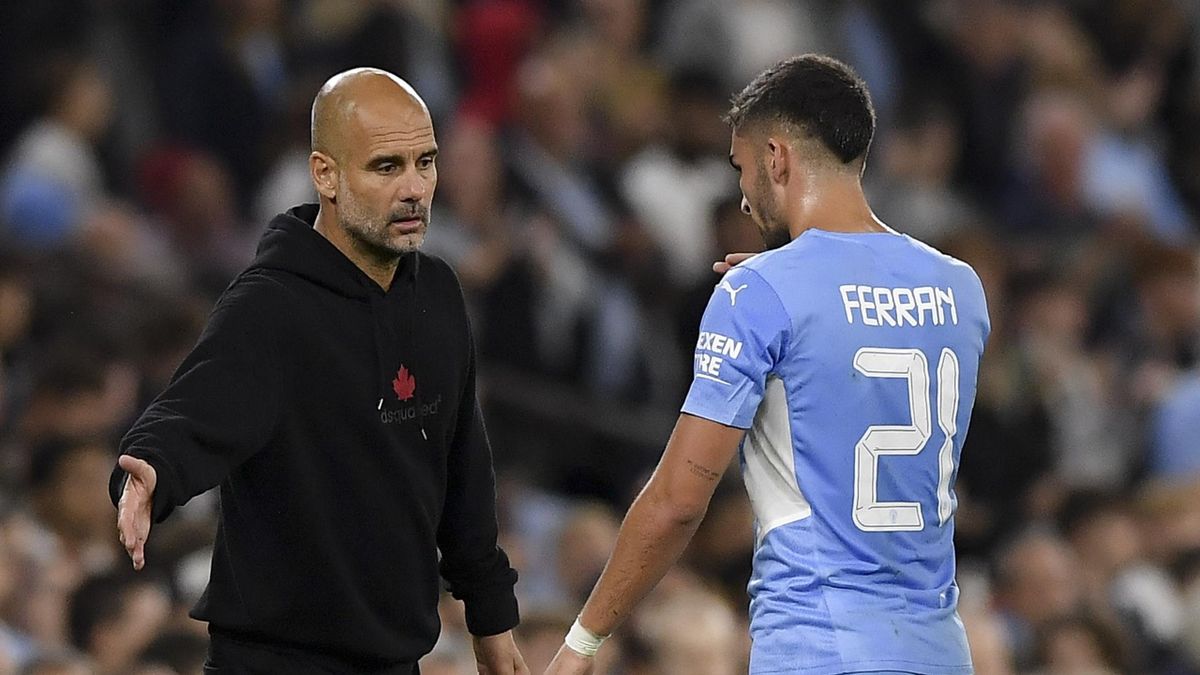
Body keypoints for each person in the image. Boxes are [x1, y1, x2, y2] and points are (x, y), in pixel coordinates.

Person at [545, 54, 989, 675]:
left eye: (741, 167)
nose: (743, 196)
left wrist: (586, 639)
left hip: (817, 646)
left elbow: (677, 499)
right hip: (940, 650)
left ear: (776, 159)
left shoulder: (757, 293)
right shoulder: (961, 290)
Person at [110, 68, 528, 675]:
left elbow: (463, 469)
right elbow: (192, 412)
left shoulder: (438, 293)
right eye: (387, 167)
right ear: (325, 174)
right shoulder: (269, 306)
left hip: (396, 661)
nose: (415, 188)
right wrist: (149, 472)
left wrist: (491, 616)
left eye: (426, 162)